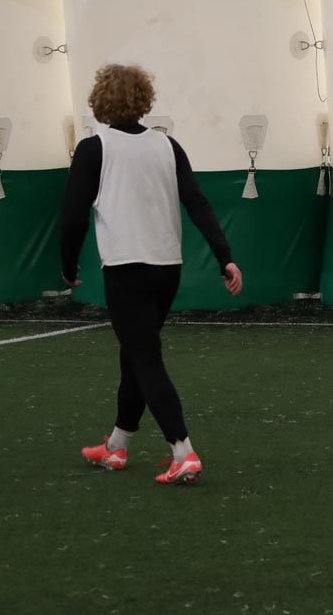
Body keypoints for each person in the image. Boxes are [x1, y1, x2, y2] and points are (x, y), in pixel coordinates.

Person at [60, 63, 242, 485]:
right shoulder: (168, 146)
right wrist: (225, 257)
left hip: (126, 269)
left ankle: (183, 451)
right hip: (167, 269)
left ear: (99, 101)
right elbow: (197, 203)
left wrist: (67, 265)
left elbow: (73, 216)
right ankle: (117, 446)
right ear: (144, 100)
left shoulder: (93, 149)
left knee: (144, 357)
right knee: (135, 354)